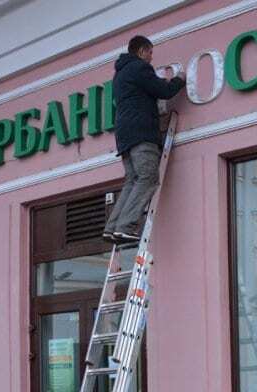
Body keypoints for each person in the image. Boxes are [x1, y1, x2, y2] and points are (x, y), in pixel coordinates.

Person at [103, 35, 186, 244]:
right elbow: (163, 91)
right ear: (141, 51)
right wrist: (179, 80)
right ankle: (125, 226)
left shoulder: (120, 74)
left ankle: (112, 227)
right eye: (150, 52)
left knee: (132, 180)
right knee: (148, 178)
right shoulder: (140, 68)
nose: (151, 58)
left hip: (124, 136)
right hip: (142, 134)